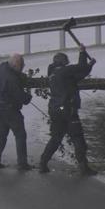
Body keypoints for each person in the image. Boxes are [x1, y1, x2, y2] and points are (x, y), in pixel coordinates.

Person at [39, 46, 97, 175]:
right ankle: (83, 167)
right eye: (66, 62)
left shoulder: (52, 72)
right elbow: (80, 68)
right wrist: (82, 53)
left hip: (55, 109)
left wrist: (89, 65)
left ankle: (43, 163)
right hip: (67, 109)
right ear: (64, 62)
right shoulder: (66, 71)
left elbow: (80, 74)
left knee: (56, 138)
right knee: (77, 138)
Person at [0, 53, 34, 170]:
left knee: (2, 133)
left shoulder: (2, 66)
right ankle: (22, 163)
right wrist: (28, 96)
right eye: (21, 67)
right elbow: (21, 98)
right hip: (8, 109)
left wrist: (22, 77)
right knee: (20, 134)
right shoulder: (12, 79)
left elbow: (15, 76)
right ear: (16, 65)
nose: (22, 69)